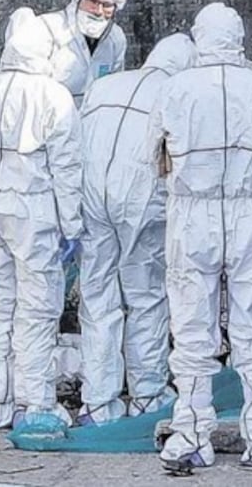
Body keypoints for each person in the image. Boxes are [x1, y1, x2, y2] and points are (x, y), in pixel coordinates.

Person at [149, 3, 252, 469]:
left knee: (192, 328)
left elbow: (157, 155)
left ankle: (191, 434)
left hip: (193, 215)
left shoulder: (176, 89)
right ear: (238, 39)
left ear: (199, 37)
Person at [0, 7, 82, 430]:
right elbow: (67, 167)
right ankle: (36, 402)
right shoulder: (53, 95)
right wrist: (73, 225)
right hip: (32, 211)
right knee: (37, 307)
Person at [76, 33, 197, 426]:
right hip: (142, 202)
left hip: (93, 197)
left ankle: (98, 402)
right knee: (145, 296)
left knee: (97, 296)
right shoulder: (178, 91)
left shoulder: (105, 85)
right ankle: (146, 395)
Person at [40, 0, 128, 106]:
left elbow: (114, 86)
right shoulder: (49, 29)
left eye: (107, 5)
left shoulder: (115, 39)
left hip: (94, 120)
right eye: (93, 1)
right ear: (78, 0)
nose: (98, 11)